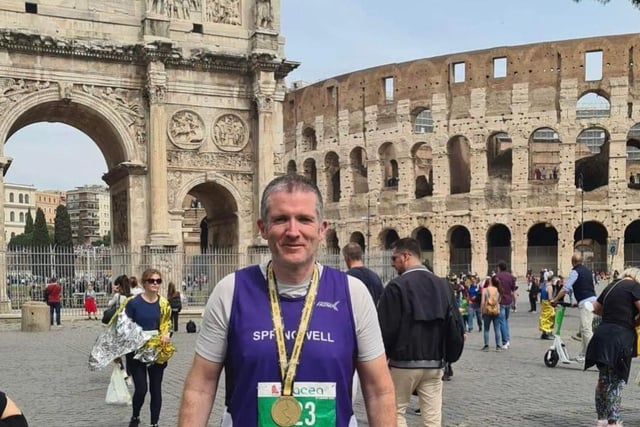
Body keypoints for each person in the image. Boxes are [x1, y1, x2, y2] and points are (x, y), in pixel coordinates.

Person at [178, 174, 395, 426]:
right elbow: (201, 385)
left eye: (304, 219)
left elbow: (380, 391)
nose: (293, 232)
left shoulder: (353, 293)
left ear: (321, 229)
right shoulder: (230, 291)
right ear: (263, 228)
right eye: (281, 219)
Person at [378, 237, 462, 427]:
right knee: (432, 418)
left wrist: (383, 360)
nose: (392, 264)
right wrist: (448, 358)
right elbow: (455, 325)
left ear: (406, 256)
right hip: (434, 363)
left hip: (403, 362)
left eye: (394, 258)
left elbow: (386, 329)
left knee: (396, 412)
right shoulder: (443, 285)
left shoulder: (396, 286)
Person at [585, 267, 640, 426]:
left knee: (603, 380)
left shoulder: (611, 286)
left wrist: (612, 313)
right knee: (616, 381)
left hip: (602, 336)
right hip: (620, 338)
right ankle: (613, 421)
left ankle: (601, 419)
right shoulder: (634, 287)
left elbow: (594, 307)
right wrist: (635, 321)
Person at [124, 268, 172, 427]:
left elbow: (167, 324)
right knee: (141, 389)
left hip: (157, 350)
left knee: (156, 389)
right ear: (144, 283)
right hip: (137, 352)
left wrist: (166, 334)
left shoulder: (164, 303)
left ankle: (154, 423)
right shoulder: (133, 303)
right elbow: (124, 327)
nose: (155, 284)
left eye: (158, 281)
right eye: (152, 281)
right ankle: (136, 415)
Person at [551, 253, 596, 362]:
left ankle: (593, 355)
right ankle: (583, 354)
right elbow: (587, 286)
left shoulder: (575, 272)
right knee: (584, 329)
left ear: (573, 262)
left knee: (586, 330)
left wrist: (555, 299)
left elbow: (566, 288)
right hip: (592, 301)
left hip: (586, 303)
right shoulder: (588, 271)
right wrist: (576, 302)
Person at [495, 261, 517, 349]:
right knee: (506, 320)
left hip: (501, 300)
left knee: (502, 321)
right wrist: (514, 303)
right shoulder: (511, 277)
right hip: (509, 300)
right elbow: (514, 291)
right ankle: (507, 339)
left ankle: (505, 341)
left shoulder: (497, 277)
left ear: (499, 268)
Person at [481, 275, 503, 351]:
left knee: (486, 329)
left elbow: (482, 302)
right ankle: (498, 346)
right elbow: (499, 301)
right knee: (497, 329)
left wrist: (482, 312)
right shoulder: (498, 290)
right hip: (496, 311)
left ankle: (486, 346)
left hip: (487, 311)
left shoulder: (485, 290)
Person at [539, 276, 555, 340]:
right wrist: (554, 302)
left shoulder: (544, 285)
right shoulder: (550, 287)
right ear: (552, 280)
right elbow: (550, 298)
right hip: (548, 304)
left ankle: (544, 333)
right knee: (550, 318)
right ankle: (548, 333)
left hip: (543, 303)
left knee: (544, 318)